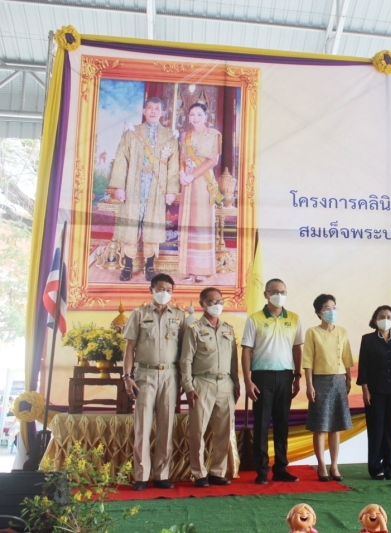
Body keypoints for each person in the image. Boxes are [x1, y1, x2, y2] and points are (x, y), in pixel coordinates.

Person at [121, 273, 186, 490]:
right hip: (145, 374)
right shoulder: (139, 314)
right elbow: (129, 348)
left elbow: (185, 350)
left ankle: (161, 474)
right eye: (160, 289)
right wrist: (127, 376)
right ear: (151, 290)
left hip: (170, 374)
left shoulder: (179, 316)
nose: (164, 293)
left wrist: (185, 379)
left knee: (166, 425)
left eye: (168, 289)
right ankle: (141, 475)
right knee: (143, 425)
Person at [108, 97, 180, 282]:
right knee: (131, 224)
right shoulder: (132, 133)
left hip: (156, 188)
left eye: (157, 108)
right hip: (134, 185)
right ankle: (127, 266)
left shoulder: (170, 137)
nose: (153, 111)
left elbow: (173, 166)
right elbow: (121, 159)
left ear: (162, 112)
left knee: (152, 225)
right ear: (144, 111)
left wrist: (171, 190)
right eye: (150, 108)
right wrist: (119, 186)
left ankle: (150, 266)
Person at [241, 278, 303, 484]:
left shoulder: (294, 318)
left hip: (285, 375)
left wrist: (297, 376)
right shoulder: (254, 319)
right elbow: (247, 351)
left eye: (283, 292)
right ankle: (261, 470)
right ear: (266, 294)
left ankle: (281, 468)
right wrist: (248, 381)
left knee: (282, 423)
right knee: (261, 423)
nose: (279, 295)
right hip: (262, 376)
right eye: (275, 292)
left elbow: (297, 348)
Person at [180, 287, 240, 487]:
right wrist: (188, 386)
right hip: (202, 382)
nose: (217, 305)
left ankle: (217, 471)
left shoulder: (228, 329)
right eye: (212, 302)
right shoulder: (194, 329)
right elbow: (186, 360)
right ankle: (199, 473)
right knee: (198, 430)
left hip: (225, 383)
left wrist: (236, 384)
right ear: (202, 304)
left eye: (220, 301)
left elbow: (234, 360)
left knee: (224, 430)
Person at [303, 294, 353, 482]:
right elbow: (307, 361)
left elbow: (347, 357)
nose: (331, 311)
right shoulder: (312, 332)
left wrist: (348, 377)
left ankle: (334, 465)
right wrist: (309, 384)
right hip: (320, 381)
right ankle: (322, 465)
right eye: (327, 308)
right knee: (320, 426)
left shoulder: (342, 331)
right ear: (319, 312)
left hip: (339, 380)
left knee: (335, 426)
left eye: (334, 307)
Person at [357, 305, 391, 480]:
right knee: (376, 430)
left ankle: (390, 467)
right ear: (375, 320)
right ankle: (375, 467)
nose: (385, 320)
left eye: (389, 317)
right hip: (375, 392)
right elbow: (363, 367)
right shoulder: (368, 340)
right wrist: (365, 390)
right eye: (381, 317)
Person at [177, 102, 222, 283]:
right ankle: (189, 268)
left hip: (203, 181)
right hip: (187, 182)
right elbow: (182, 157)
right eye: (192, 114)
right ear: (188, 117)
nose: (195, 118)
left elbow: (213, 161)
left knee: (201, 222)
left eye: (199, 114)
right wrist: (182, 173)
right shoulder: (185, 136)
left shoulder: (214, 135)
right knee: (187, 222)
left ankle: (202, 269)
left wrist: (192, 175)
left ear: (206, 116)